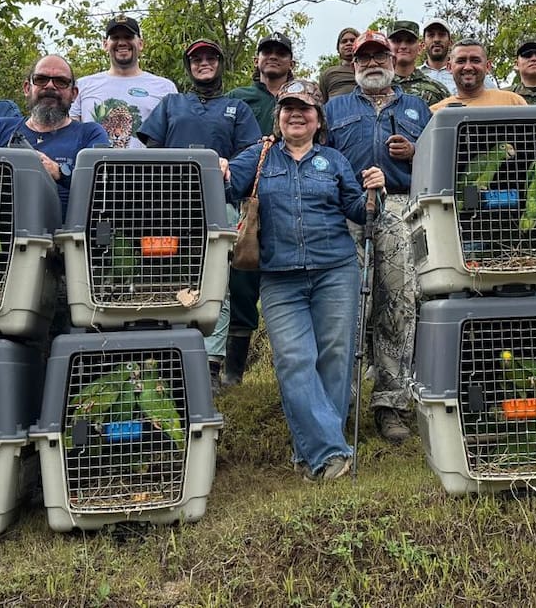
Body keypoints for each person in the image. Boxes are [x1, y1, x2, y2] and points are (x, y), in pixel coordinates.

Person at [223, 80, 385, 481]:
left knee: (335, 359)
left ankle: (314, 451)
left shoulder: (333, 160)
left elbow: (360, 212)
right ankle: (330, 450)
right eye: (288, 108)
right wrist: (222, 168)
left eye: (306, 109)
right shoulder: (260, 156)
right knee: (294, 361)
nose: (297, 114)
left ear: (318, 120)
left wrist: (374, 192)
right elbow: (225, 185)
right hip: (279, 279)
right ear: (278, 117)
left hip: (336, 271)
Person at [324, 30, 431, 444]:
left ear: (392, 60)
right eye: (364, 57)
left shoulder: (418, 106)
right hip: (346, 213)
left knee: (399, 304)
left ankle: (391, 403)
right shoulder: (334, 108)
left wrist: (416, 151)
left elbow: (439, 161)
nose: (372, 62)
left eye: (379, 55)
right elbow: (321, 156)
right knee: (347, 309)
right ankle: (340, 403)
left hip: (401, 209)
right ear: (354, 64)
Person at [138, 39, 263, 386]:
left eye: (210, 58)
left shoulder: (237, 108)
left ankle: (209, 364)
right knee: (164, 277)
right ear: (189, 66)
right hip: (167, 208)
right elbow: (150, 150)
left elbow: (253, 153)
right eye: (197, 59)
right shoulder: (171, 103)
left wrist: (230, 165)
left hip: (217, 205)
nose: (203, 63)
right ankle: (166, 361)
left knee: (216, 285)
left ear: (221, 63)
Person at [219, 31, 296, 386]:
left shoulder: (304, 95)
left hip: (293, 196)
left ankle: (290, 368)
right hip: (248, 197)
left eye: (281, 52)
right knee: (242, 279)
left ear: (291, 61)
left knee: (290, 277)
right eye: (267, 51)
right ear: (257, 59)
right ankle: (234, 371)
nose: (274, 57)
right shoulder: (238, 98)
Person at [0, 55, 109, 217]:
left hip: (69, 238)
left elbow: (103, 188)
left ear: (74, 94)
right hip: (3, 235)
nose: (50, 86)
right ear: (27, 88)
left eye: (60, 81)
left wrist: (59, 173)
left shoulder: (91, 133)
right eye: (41, 79)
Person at [70, 14, 177, 148]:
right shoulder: (82, 85)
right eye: (115, 37)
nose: (121, 42)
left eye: (128, 37)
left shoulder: (165, 87)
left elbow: (174, 138)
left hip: (148, 168)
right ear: (105, 44)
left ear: (141, 44)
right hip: (94, 167)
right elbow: (70, 136)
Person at [431, 38, 528, 112]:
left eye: (475, 60)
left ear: (487, 66)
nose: (468, 67)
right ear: (449, 67)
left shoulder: (512, 102)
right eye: (461, 61)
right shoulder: (436, 112)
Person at [420, 18, 499, 93]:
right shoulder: (414, 76)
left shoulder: (473, 74)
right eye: (431, 35)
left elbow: (496, 100)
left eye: (441, 35)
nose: (436, 39)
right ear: (423, 44)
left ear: (450, 42)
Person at [387, 19, 449, 107]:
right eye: (397, 41)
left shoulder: (437, 90)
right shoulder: (376, 86)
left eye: (409, 41)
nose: (403, 46)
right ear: (387, 46)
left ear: (420, 47)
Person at [319, 27, 360, 102]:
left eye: (353, 40)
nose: (349, 43)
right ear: (338, 48)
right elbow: (322, 102)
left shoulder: (368, 70)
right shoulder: (329, 73)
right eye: (344, 41)